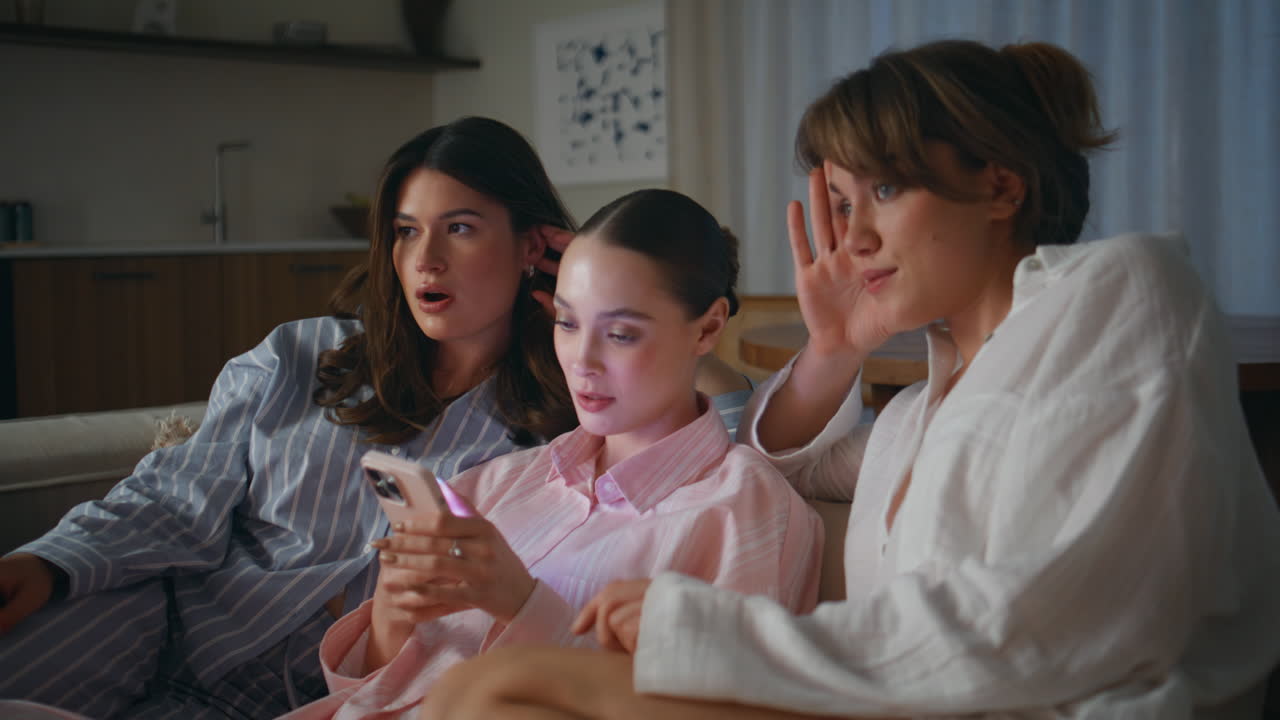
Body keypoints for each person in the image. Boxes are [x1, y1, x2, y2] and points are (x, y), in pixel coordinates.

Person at [420, 40, 1280, 719]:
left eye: (886, 188)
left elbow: (1047, 625)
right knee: (483, 691)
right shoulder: (916, 414)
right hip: (894, 706)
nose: (853, 235)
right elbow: (775, 467)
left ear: (1000, 187)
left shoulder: (1124, 289)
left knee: (500, 692)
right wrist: (834, 346)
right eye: (839, 202)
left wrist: (712, 632)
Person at [0, 117, 752, 719]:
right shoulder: (299, 358)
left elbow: (724, 428)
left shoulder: (570, 423)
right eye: (406, 230)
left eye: (460, 228)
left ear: (532, 244)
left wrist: (597, 281)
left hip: (333, 694)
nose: (426, 259)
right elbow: (172, 496)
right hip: (165, 634)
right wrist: (48, 562)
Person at [274, 188, 822, 719]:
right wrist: (391, 620)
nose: (582, 360)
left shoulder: (744, 512)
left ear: (708, 328)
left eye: (621, 333)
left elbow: (728, 709)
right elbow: (371, 692)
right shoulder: (495, 484)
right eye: (567, 322)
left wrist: (526, 605)